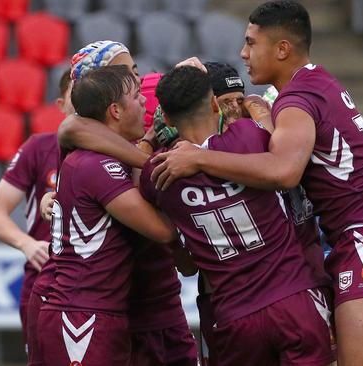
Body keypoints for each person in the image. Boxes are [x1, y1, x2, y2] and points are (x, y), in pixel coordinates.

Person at [149, 2, 363, 366]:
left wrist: (199, 156)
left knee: (360, 363)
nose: (243, 53)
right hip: (360, 233)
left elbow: (284, 171)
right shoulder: (313, 83)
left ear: (282, 49)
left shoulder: (296, 101)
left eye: (252, 43)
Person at [140, 65, 335, 366]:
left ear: (165, 118)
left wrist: (150, 139)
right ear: (215, 104)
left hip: (233, 317)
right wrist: (261, 112)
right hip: (292, 298)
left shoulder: (158, 173)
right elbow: (280, 152)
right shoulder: (246, 137)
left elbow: (137, 183)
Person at [46, 41, 199, 366]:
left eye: (134, 71)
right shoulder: (90, 153)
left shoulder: (120, 127)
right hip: (97, 308)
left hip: (154, 303)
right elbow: (162, 230)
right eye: (126, 74)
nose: (140, 85)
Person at [0, 67, 74, 358]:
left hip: (101, 284)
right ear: (61, 105)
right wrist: (27, 244)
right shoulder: (39, 148)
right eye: (77, 95)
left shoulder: (119, 151)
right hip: (46, 281)